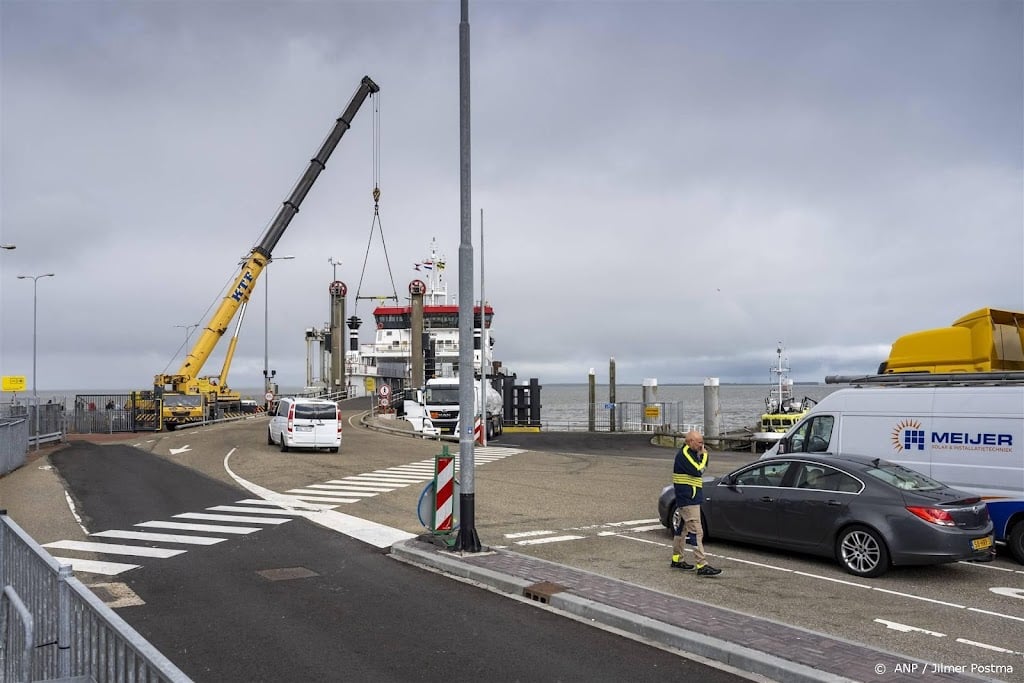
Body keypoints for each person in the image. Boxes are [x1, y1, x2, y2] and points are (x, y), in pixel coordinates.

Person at [670, 430, 722, 577]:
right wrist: (705, 456)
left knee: (681, 529)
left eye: (702, 442)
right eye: (699, 442)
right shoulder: (685, 454)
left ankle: (677, 559)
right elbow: (698, 470)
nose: (702, 445)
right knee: (696, 532)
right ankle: (702, 564)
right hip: (688, 499)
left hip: (688, 498)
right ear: (690, 441)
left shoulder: (690, 453)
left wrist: (700, 455)